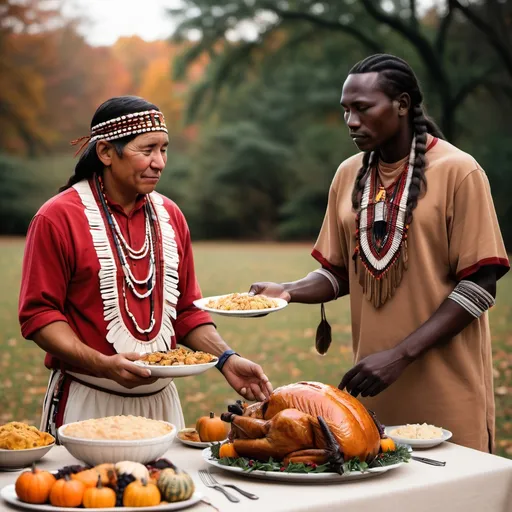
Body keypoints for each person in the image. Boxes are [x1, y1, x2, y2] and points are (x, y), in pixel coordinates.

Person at [249, 54, 509, 452]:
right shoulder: (348, 174)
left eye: (363, 108)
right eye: (346, 110)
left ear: (402, 105)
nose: (351, 120)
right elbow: (340, 273)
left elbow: (481, 283)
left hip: (446, 385)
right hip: (371, 385)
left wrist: (400, 355)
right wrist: (286, 290)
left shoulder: (460, 171)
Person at [19, 96, 273, 438]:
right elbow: (39, 316)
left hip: (162, 405)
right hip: (88, 401)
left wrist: (227, 359)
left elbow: (186, 311)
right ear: (107, 153)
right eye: (148, 149)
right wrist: (102, 364)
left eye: (164, 149)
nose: (160, 162)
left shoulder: (171, 216)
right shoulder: (57, 217)